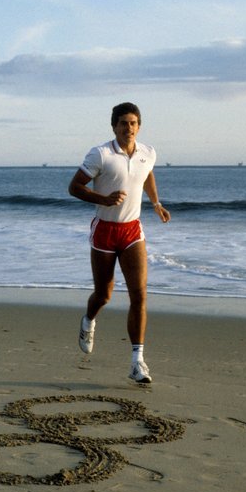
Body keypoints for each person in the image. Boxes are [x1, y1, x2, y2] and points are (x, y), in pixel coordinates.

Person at [68, 102, 171, 383]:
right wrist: (104, 199)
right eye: (124, 123)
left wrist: (156, 203)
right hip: (104, 231)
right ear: (114, 126)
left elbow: (146, 173)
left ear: (139, 126)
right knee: (104, 295)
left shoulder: (147, 152)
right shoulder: (100, 154)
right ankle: (89, 320)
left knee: (139, 295)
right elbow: (74, 187)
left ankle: (137, 362)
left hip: (132, 232)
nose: (129, 128)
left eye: (134, 123)